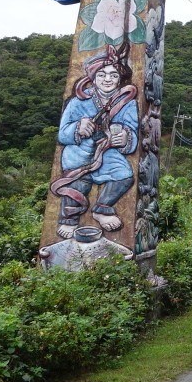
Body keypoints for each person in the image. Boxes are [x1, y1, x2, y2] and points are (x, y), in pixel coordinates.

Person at [52, 44, 139, 239]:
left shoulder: (127, 101)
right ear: (93, 77)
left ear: (120, 79)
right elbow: (62, 134)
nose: (108, 79)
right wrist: (77, 128)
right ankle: (70, 219)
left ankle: (102, 207)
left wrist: (126, 137)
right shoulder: (78, 101)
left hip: (106, 152)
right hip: (79, 153)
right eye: (102, 75)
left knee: (124, 175)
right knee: (77, 183)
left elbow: (132, 130)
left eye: (114, 75)